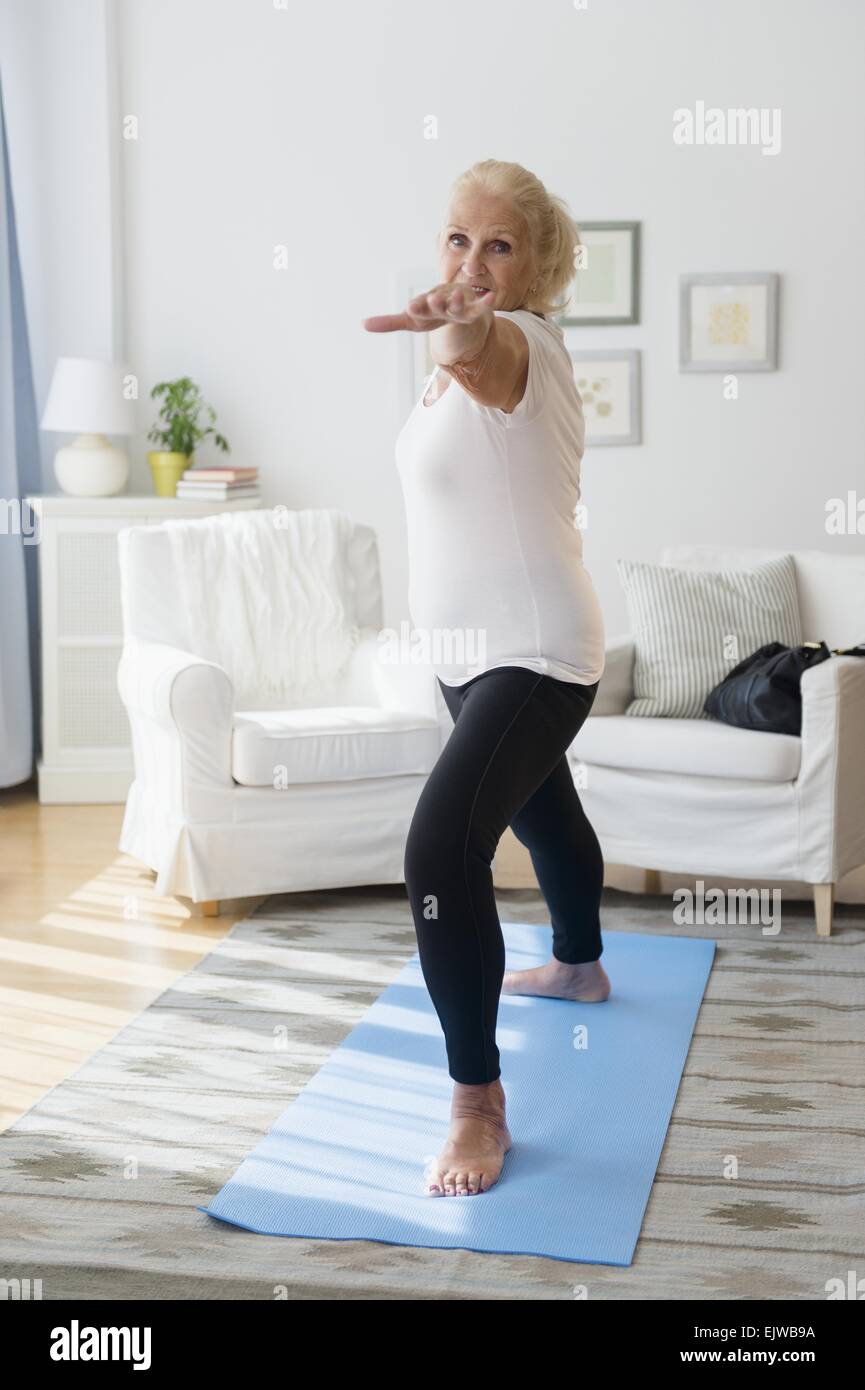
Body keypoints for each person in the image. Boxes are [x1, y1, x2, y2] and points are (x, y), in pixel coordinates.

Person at [363, 159, 610, 1198]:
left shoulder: (525, 347)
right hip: (466, 658)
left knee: (441, 845)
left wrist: (456, 324)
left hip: (536, 653)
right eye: (458, 240)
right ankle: (581, 960)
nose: (471, 262)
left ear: (535, 270)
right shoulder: (437, 376)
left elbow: (482, 349)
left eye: (499, 245)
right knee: (545, 814)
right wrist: (444, 338)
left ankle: (475, 1102)